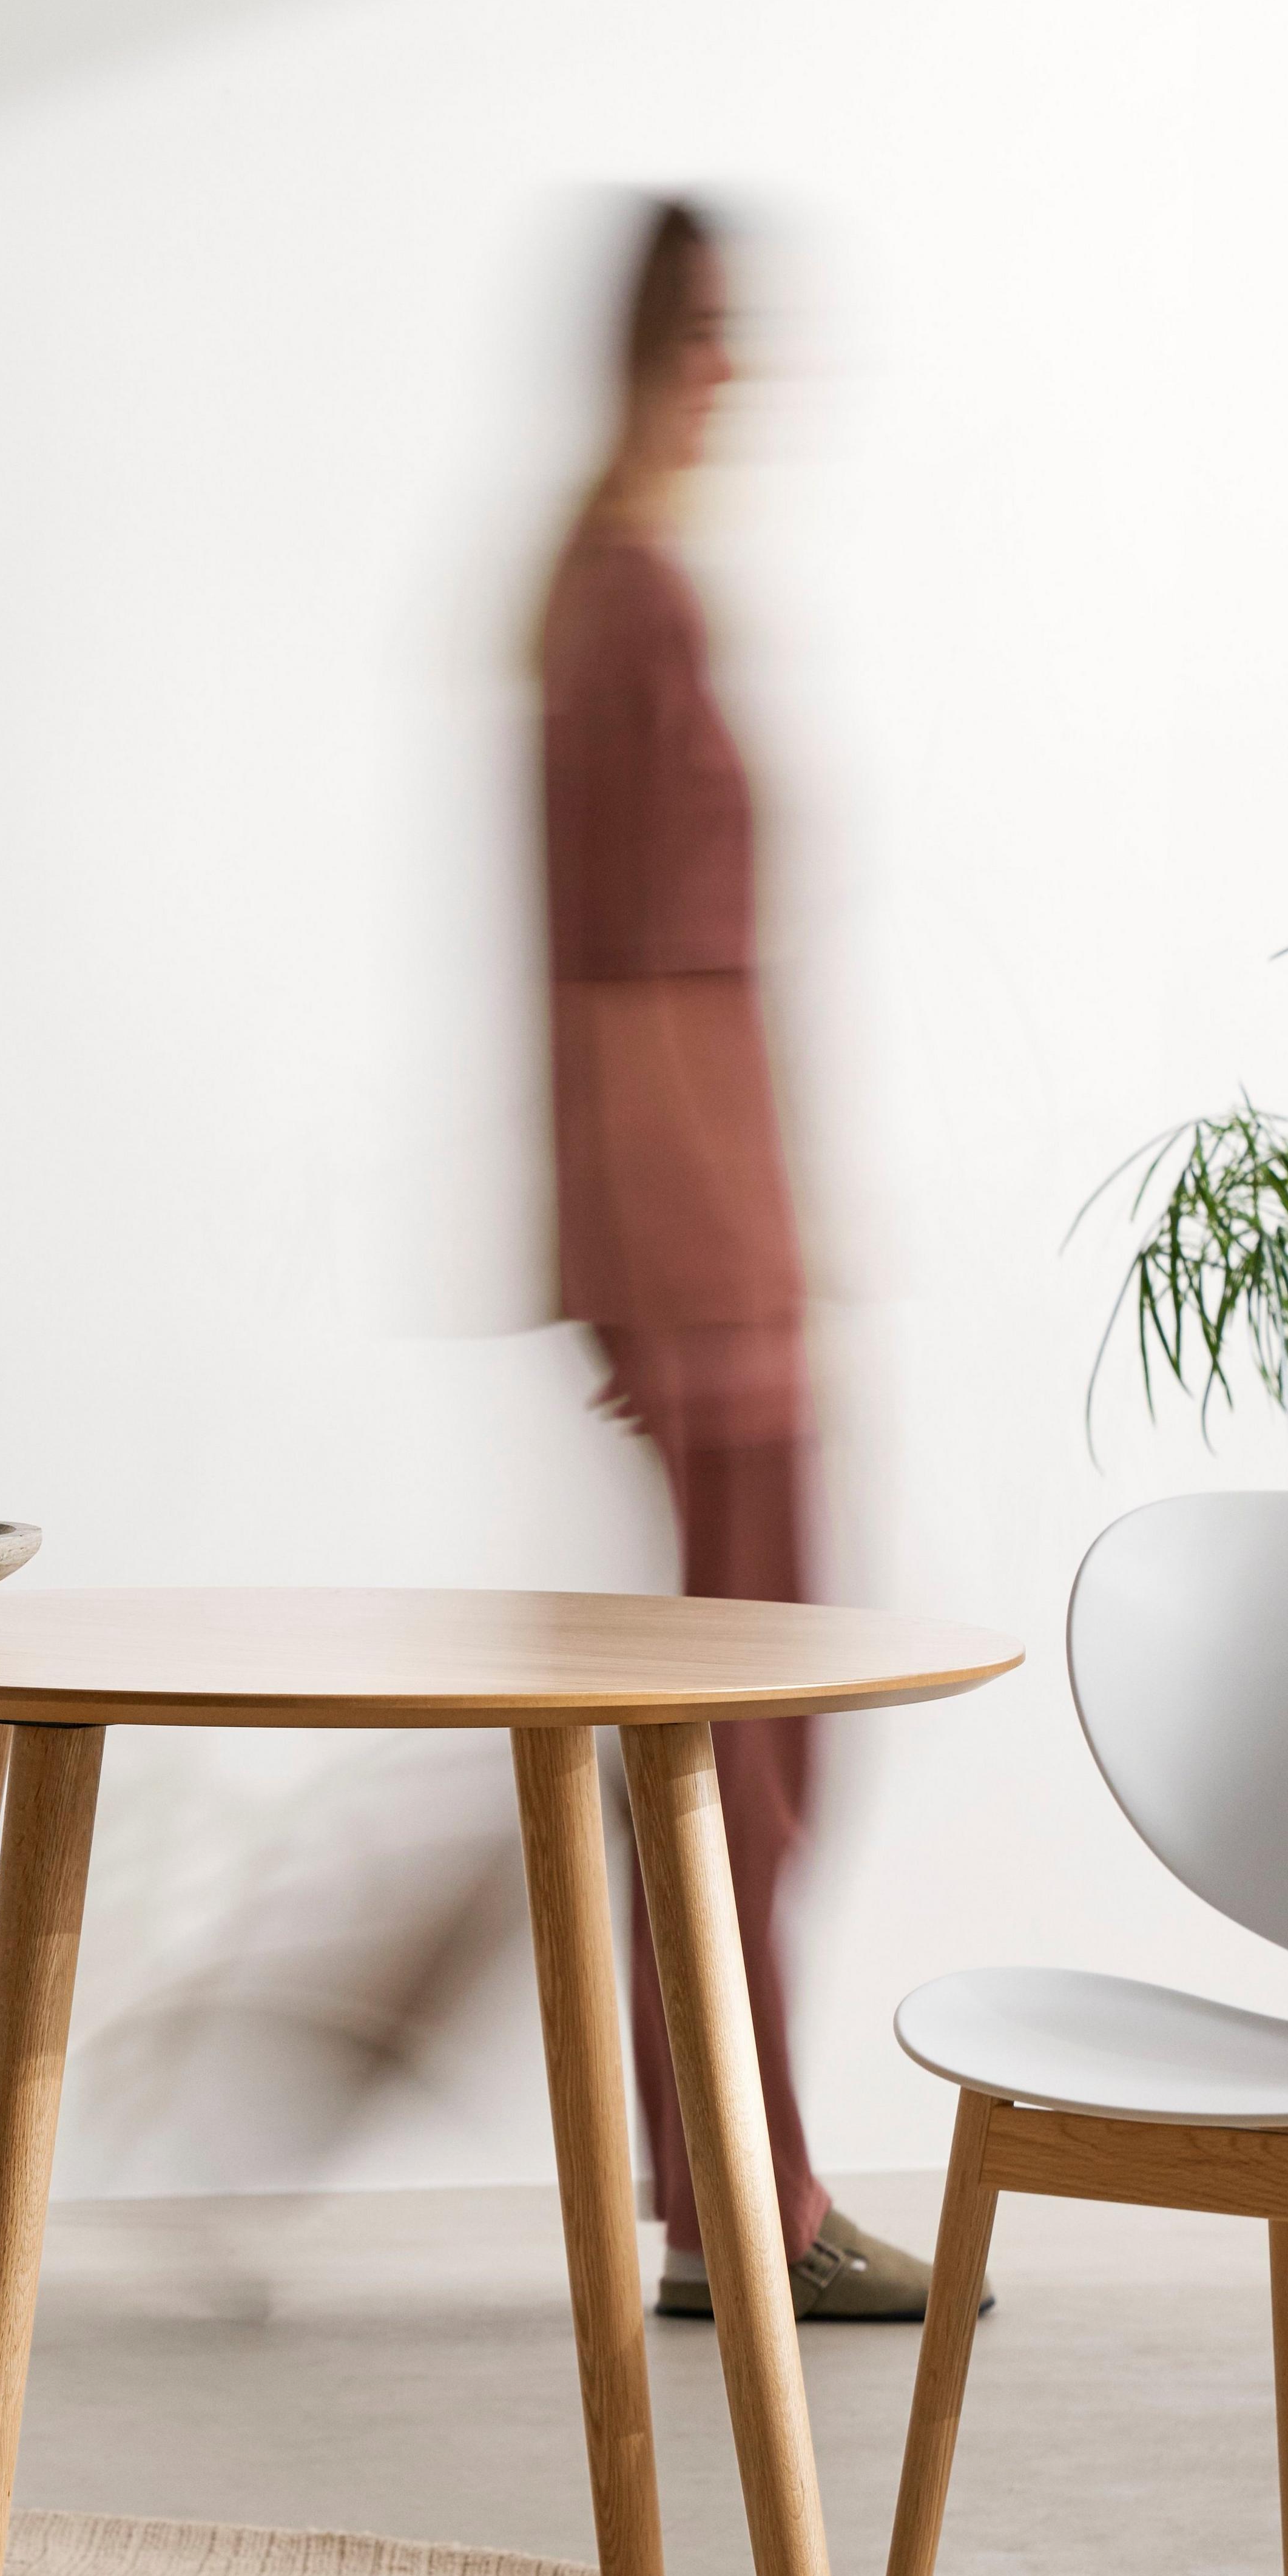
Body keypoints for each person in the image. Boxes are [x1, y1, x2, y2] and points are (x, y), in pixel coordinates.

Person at [534, 198, 937, 2324]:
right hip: (701, 1249)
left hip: (726, 1231)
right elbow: (597, 970)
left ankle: (723, 2191)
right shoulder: (627, 605)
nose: (735, 360)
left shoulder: (622, 593)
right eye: (705, 324)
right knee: (747, 1752)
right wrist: (642, 1267)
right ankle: (743, 2209)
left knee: (740, 1743)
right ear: (646, 340)